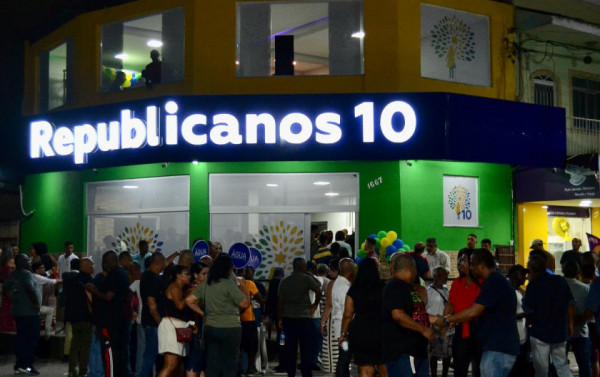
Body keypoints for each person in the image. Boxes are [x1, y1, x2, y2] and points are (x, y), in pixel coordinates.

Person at [442, 249, 519, 377]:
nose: (470, 268)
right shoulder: (496, 280)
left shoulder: (493, 281)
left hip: (498, 348)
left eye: (472, 264)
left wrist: (448, 320)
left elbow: (475, 311)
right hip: (500, 347)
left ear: (482, 266)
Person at [186, 254, 251, 377]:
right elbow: (244, 303)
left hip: (211, 327)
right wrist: (243, 287)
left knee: (212, 364)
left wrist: (203, 313)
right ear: (228, 269)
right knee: (229, 365)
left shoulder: (206, 285)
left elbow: (189, 300)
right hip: (231, 328)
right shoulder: (228, 284)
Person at [522, 253, 574, 377]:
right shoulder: (560, 281)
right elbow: (571, 304)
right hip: (560, 331)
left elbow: (528, 310)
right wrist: (570, 324)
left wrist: (530, 324)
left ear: (532, 269)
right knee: (562, 366)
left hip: (540, 333)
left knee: (541, 370)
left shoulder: (533, 286)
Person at [382, 253, 434, 377]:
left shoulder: (404, 287)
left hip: (412, 352)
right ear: (410, 268)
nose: (416, 273)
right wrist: (423, 329)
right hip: (404, 352)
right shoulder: (395, 286)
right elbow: (398, 315)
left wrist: (436, 319)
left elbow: (414, 314)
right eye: (415, 269)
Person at [86, 250, 131, 377]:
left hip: (110, 323)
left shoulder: (115, 275)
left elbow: (108, 297)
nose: (103, 264)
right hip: (117, 321)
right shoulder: (120, 274)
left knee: (109, 356)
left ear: (110, 261)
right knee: (119, 355)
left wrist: (93, 291)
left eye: (105, 262)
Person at [339, 258, 387, 377]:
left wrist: (343, 334)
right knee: (384, 365)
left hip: (361, 330)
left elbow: (348, 315)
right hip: (381, 329)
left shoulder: (354, 289)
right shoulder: (384, 287)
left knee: (365, 367)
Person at [278, 257, 322, 377]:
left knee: (290, 348)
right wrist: (314, 305)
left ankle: (291, 373)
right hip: (304, 317)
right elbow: (319, 290)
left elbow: (280, 302)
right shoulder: (307, 278)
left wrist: (280, 318)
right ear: (304, 267)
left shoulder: (285, 281)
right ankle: (306, 372)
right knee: (306, 348)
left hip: (288, 317)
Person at [446, 249, 482, 377]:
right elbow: (450, 305)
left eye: (464, 260)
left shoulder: (482, 284)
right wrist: (445, 320)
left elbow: (476, 311)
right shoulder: (457, 283)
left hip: (478, 331)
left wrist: (451, 319)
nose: (460, 263)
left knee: (479, 370)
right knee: (459, 371)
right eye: (460, 260)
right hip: (460, 332)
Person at [6, 254, 41, 375]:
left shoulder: (12, 275)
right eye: (27, 260)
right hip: (30, 313)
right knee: (31, 339)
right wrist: (35, 304)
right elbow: (29, 288)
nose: (29, 261)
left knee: (21, 338)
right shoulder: (26, 274)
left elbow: (5, 290)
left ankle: (19, 365)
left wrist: (14, 300)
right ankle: (28, 365)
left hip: (18, 311)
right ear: (22, 262)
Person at [158, 265, 196, 377]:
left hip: (178, 330)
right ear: (178, 275)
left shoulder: (180, 288)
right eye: (186, 274)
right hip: (171, 329)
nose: (189, 276)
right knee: (170, 365)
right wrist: (190, 296)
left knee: (178, 366)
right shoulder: (174, 287)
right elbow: (179, 306)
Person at [64, 257, 94, 377]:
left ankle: (72, 370)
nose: (93, 268)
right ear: (85, 266)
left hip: (74, 317)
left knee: (74, 344)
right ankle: (83, 371)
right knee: (85, 346)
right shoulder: (90, 281)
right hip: (86, 317)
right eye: (91, 266)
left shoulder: (72, 280)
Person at [139, 252, 167, 377]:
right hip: (153, 323)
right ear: (159, 263)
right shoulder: (152, 279)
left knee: (150, 354)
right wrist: (160, 323)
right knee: (150, 355)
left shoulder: (146, 275)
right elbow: (152, 305)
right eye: (163, 264)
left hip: (148, 321)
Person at [564, 259, 592, 377]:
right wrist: (575, 322)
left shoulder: (559, 286)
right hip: (581, 332)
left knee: (560, 363)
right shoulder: (585, 288)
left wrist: (569, 322)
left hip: (562, 331)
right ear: (578, 272)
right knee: (584, 365)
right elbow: (590, 311)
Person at [426, 267, 453, 377]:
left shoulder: (447, 292)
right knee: (434, 354)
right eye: (442, 274)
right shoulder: (428, 291)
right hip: (433, 327)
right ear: (435, 276)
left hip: (446, 327)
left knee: (447, 354)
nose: (445, 277)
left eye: (445, 274)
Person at [331, 258, 354, 377]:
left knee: (344, 356)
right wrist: (344, 332)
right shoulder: (345, 287)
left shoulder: (338, 282)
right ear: (351, 270)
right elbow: (347, 312)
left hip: (340, 326)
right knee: (344, 358)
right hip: (343, 328)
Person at [186, 262, 209, 377]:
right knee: (194, 362)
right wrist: (203, 314)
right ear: (195, 275)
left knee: (202, 363)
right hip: (195, 330)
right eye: (203, 274)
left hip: (202, 329)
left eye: (208, 274)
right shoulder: (193, 289)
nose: (206, 276)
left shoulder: (204, 288)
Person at [507, 265, 531, 377]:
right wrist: (524, 315)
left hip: (522, 338)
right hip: (513, 340)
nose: (525, 278)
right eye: (522, 275)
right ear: (515, 274)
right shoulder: (509, 292)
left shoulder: (518, 291)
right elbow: (506, 315)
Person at [240, 267, 263, 375]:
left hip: (235, 319)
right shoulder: (249, 283)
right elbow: (260, 299)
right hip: (248, 318)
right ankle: (249, 369)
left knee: (240, 347)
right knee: (252, 347)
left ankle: (240, 369)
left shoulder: (231, 282)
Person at [31, 261, 61, 336]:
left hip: (33, 305)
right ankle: (47, 333)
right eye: (42, 268)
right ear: (36, 270)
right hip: (34, 307)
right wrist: (67, 278)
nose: (44, 269)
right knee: (50, 310)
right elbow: (52, 281)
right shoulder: (37, 277)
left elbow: (45, 274)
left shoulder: (33, 276)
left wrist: (51, 271)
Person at [321, 259, 340, 373]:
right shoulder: (348, 283)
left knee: (332, 354)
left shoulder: (332, 284)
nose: (328, 271)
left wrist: (323, 322)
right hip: (344, 320)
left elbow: (329, 305)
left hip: (332, 321)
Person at [0, 250, 17, 332]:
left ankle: (5, 328)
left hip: (6, 289)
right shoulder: (14, 264)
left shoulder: (3, 266)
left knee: (6, 310)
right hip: (13, 289)